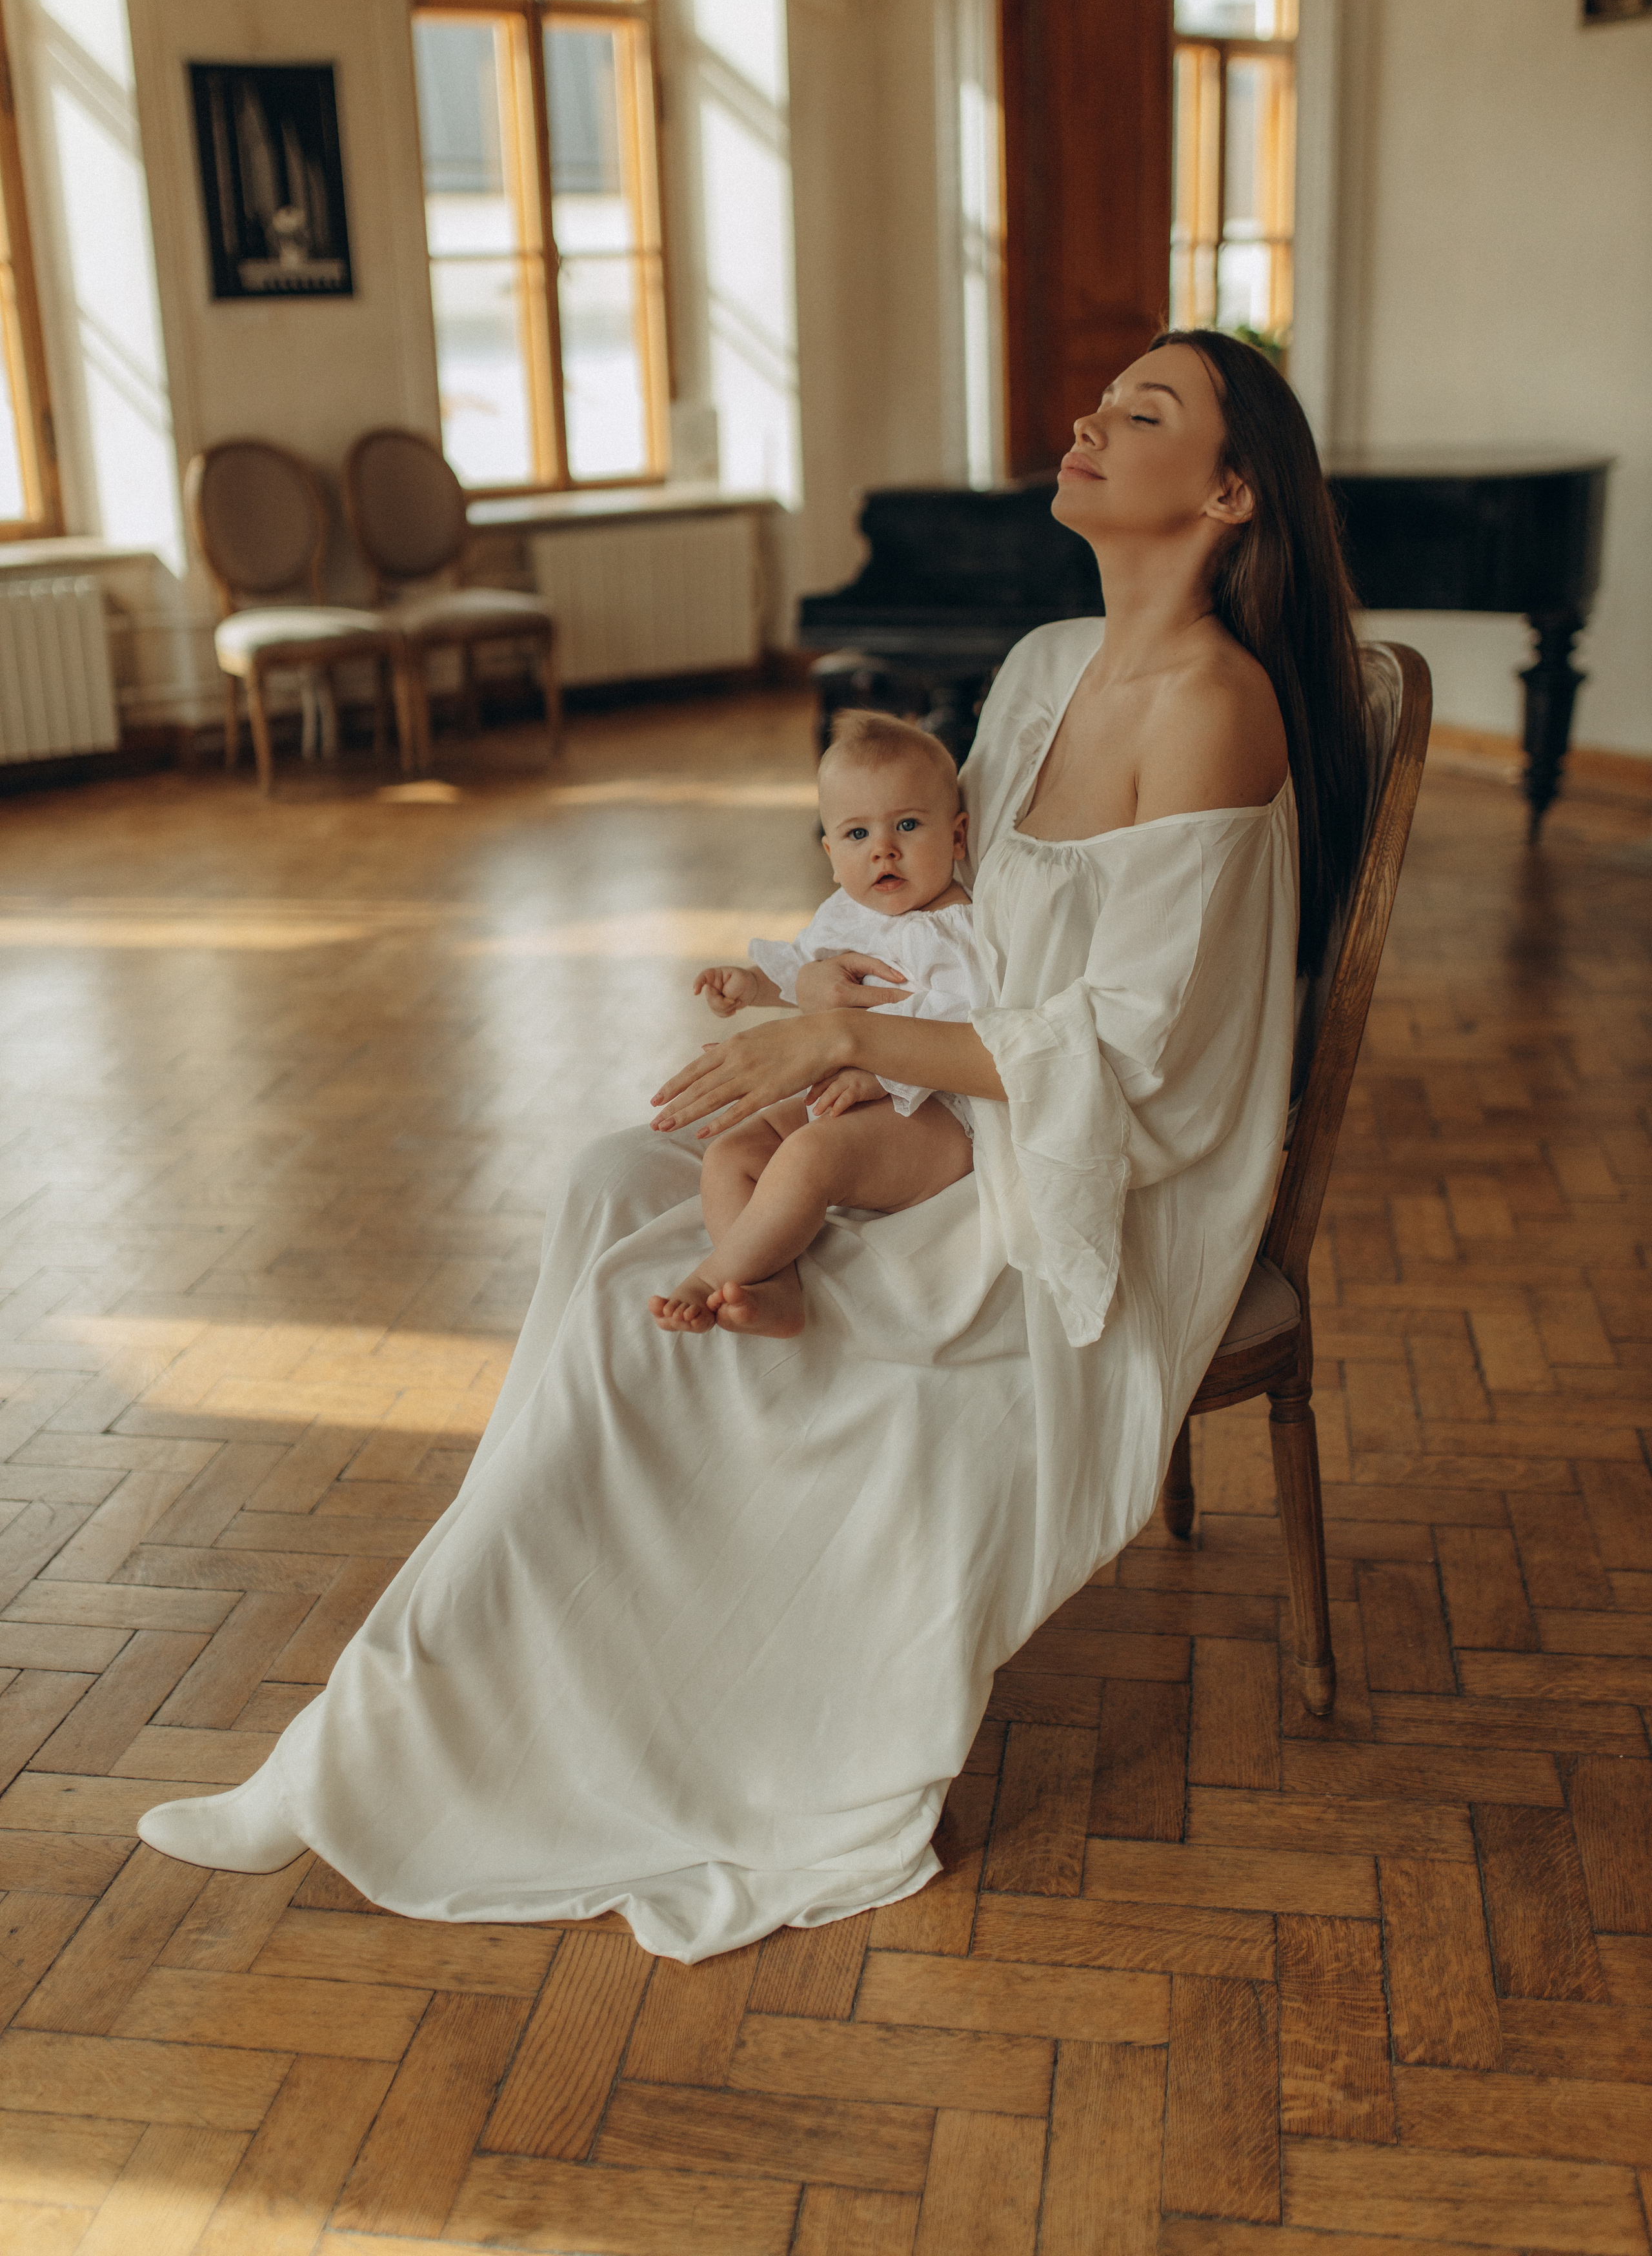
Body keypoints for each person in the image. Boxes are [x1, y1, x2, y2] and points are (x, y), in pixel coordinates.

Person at [136, 332, 1371, 1964]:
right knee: (605, 1183)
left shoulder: (1215, 711)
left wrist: (849, 1047)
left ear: (1224, 494)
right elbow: (952, 917)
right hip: (952, 1107)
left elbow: (1142, 1061)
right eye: (1099, 394)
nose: (1085, 417)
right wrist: (822, 989)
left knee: (642, 1339)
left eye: (1141, 412)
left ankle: (430, 1743)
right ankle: (421, 1716)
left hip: (1082, 1187)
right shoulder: (1043, 661)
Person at [650, 711, 985, 1338]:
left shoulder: (955, 929)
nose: (882, 848)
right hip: (840, 1093)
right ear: (831, 854)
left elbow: (965, 1019)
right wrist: (756, 987)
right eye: (857, 834)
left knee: (808, 1155)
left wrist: (880, 1078)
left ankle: (710, 1275)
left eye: (907, 825)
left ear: (957, 836)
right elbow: (812, 978)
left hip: (935, 1117)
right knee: (732, 1155)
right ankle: (769, 1285)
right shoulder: (844, 914)